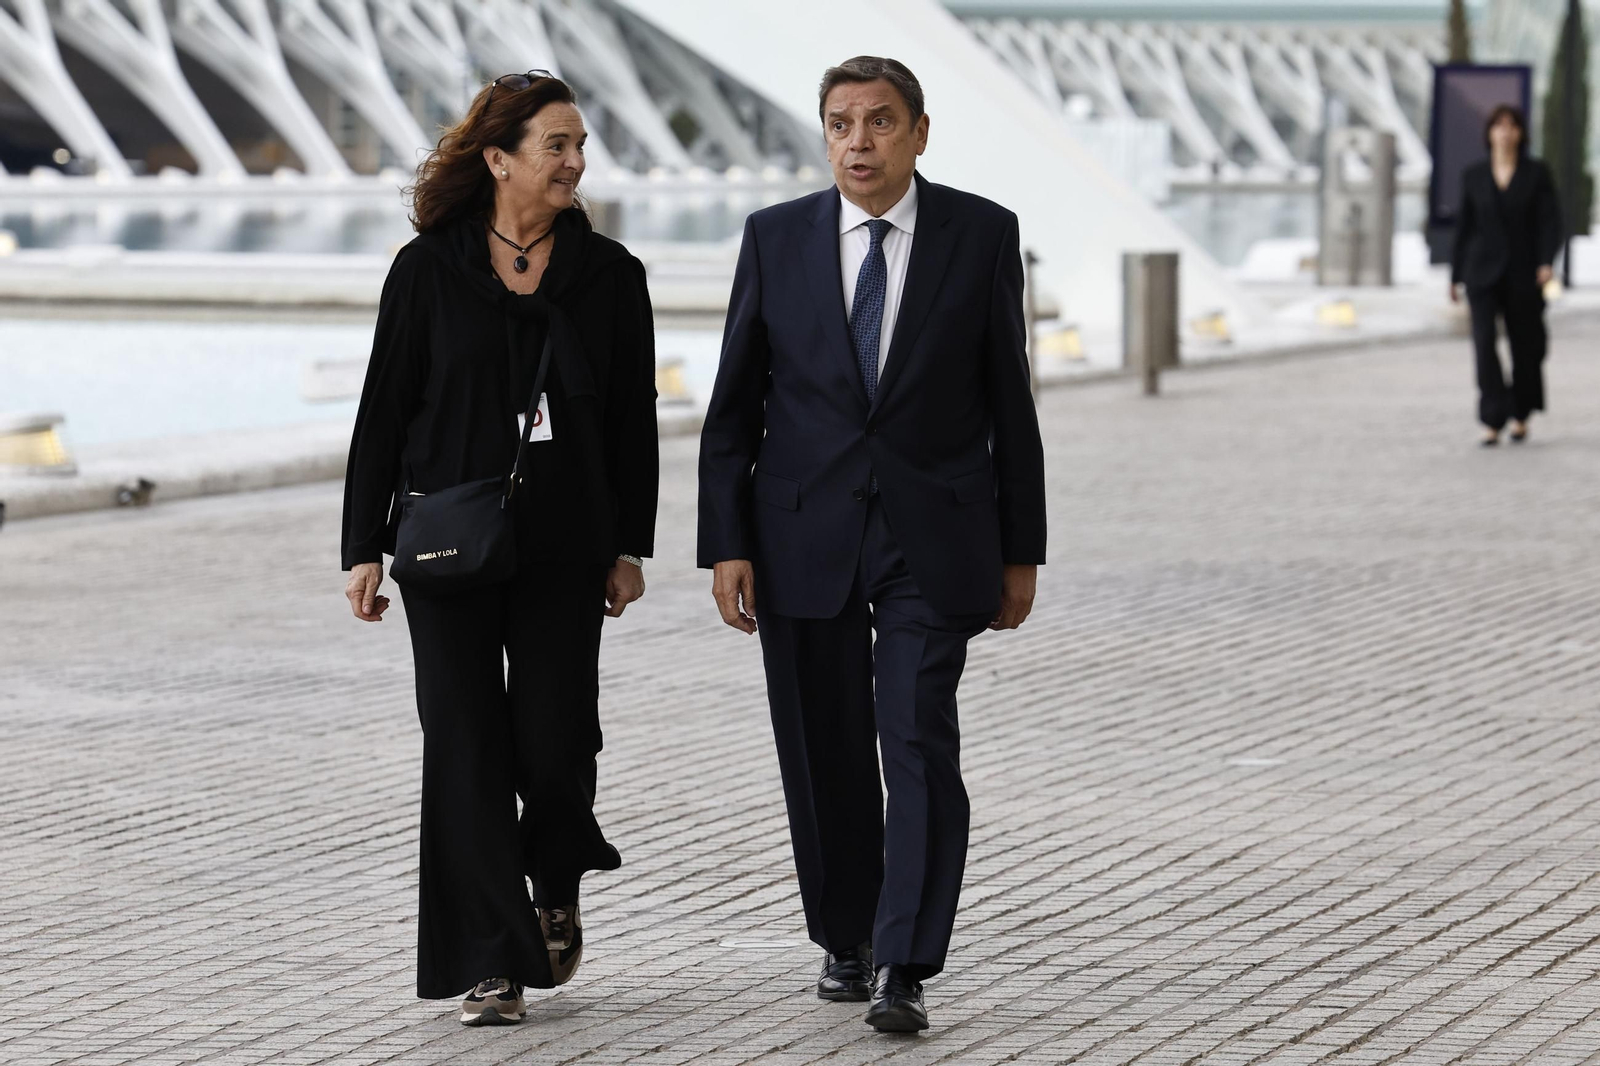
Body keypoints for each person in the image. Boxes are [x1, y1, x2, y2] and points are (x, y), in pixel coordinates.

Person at [696, 56, 1046, 1033]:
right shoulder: (775, 237)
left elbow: (1010, 402)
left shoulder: (981, 234)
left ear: (919, 134)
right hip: (800, 532)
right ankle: (844, 936)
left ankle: (904, 962)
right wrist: (725, 541)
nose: (860, 142)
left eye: (881, 122)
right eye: (841, 123)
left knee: (917, 736)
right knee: (824, 748)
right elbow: (734, 404)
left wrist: (1021, 549)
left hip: (935, 537)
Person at [340, 71, 658, 1026]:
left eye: (580, 145)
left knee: (555, 741)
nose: (576, 161)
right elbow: (384, 409)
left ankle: (554, 876)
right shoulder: (427, 270)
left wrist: (629, 545)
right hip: (447, 545)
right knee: (465, 746)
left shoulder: (610, 276)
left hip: (566, 543)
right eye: (556, 144)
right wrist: (363, 544)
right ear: (499, 159)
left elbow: (632, 423)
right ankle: (490, 957)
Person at [1450, 103, 1564, 446]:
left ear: (1520, 133)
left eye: (1511, 125)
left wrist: (1546, 262)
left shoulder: (1536, 173)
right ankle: (1492, 417)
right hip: (1481, 273)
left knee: (1525, 345)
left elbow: (1549, 222)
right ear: (1489, 133)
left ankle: (1520, 412)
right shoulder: (1474, 175)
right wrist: (1455, 276)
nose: (1505, 132)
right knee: (1483, 342)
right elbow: (1464, 228)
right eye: (1498, 125)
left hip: (1523, 272)